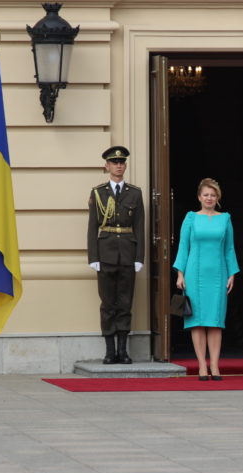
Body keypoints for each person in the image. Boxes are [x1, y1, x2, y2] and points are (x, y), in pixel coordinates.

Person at [173, 178, 240, 381]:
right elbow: (184, 247)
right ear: (199, 197)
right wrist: (180, 273)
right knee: (197, 322)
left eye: (212, 195)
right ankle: (202, 365)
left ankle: (215, 366)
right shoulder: (191, 218)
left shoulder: (225, 218)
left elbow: (229, 248)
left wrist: (232, 274)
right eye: (205, 195)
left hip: (218, 274)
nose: (209, 198)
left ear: (217, 197)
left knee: (215, 321)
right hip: (194, 275)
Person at [87, 145, 145, 365]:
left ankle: (123, 350)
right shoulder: (98, 192)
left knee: (125, 303)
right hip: (105, 254)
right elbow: (92, 226)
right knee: (108, 304)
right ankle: (110, 351)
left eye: (121, 163)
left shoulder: (135, 193)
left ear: (125, 166)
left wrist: (139, 257)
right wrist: (93, 256)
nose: (118, 166)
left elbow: (140, 226)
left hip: (128, 255)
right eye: (114, 163)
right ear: (107, 166)